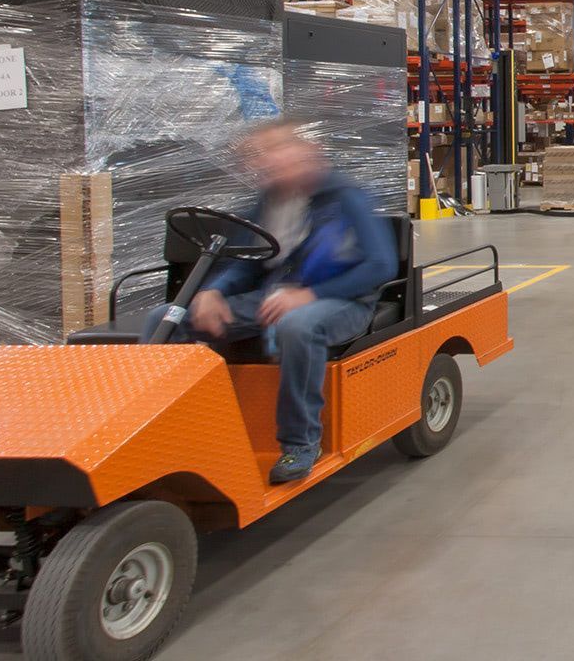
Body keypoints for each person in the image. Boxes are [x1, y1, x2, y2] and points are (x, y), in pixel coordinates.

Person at [144, 119, 398, 484]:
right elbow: (244, 262)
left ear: (303, 151)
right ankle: (163, 433)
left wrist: (309, 295)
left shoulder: (345, 197)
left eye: (274, 150)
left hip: (343, 299)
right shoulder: (266, 202)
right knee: (165, 318)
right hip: (273, 298)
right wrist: (213, 292)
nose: (264, 162)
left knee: (298, 325)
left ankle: (300, 442)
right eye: (256, 156)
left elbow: (381, 264)